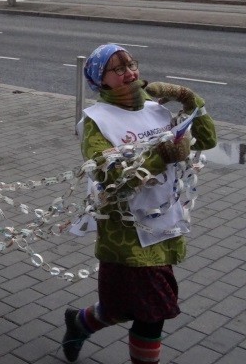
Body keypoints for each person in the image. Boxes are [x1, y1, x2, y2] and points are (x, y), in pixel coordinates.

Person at [64, 43, 216, 364]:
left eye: (131, 64)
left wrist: (190, 99)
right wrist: (162, 156)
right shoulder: (96, 121)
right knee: (152, 311)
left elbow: (207, 140)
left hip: (164, 220)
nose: (130, 72)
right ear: (101, 80)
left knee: (123, 308)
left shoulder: (154, 107)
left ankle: (80, 322)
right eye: (118, 69)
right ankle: (82, 323)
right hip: (127, 231)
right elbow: (113, 177)